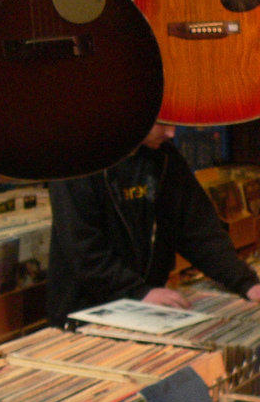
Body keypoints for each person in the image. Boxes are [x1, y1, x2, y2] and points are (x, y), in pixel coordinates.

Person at [47, 122, 260, 326]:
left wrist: (246, 283)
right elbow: (82, 247)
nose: (171, 133)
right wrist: (138, 292)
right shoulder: (75, 159)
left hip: (145, 309)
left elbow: (198, 230)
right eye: (162, 123)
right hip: (86, 314)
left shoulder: (164, 156)